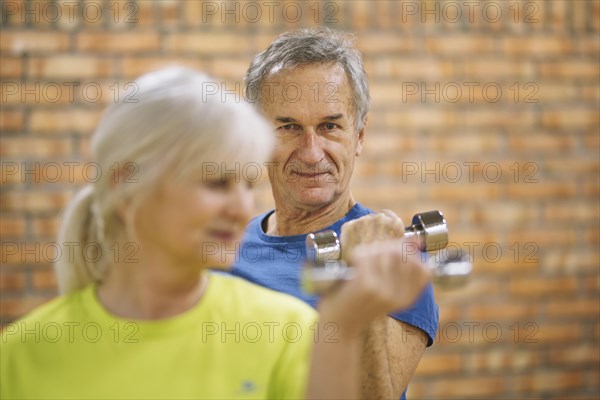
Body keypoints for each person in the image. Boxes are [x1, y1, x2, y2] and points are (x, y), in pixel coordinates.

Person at [0, 67, 432, 400]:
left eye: (245, 185)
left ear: (359, 136)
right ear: (125, 187)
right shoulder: (19, 353)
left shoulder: (290, 330)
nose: (241, 206)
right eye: (215, 183)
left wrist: (347, 314)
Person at [231, 28, 440, 399]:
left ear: (358, 137)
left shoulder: (396, 256)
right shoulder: (226, 243)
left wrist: (363, 276)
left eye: (330, 126)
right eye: (289, 127)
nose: (311, 153)